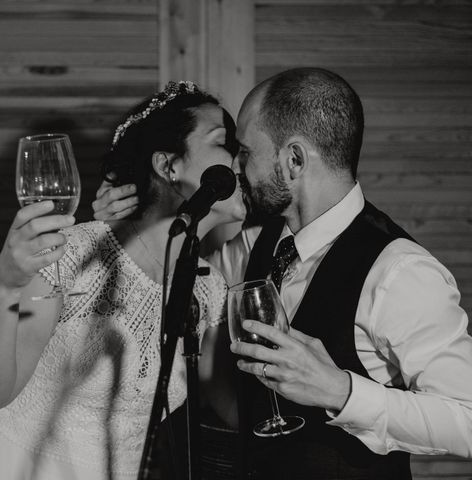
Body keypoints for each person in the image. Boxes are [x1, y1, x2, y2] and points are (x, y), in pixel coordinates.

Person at [93, 68, 472, 479]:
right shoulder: (258, 241)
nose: (237, 168)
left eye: (246, 153)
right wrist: (128, 223)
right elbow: (180, 283)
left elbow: (468, 420)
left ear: (294, 160)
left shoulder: (400, 271)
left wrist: (341, 391)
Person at [0, 80, 245, 480]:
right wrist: (6, 283)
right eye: (223, 142)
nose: (239, 160)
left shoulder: (210, 290)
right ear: (169, 166)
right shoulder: (72, 253)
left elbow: (231, 404)